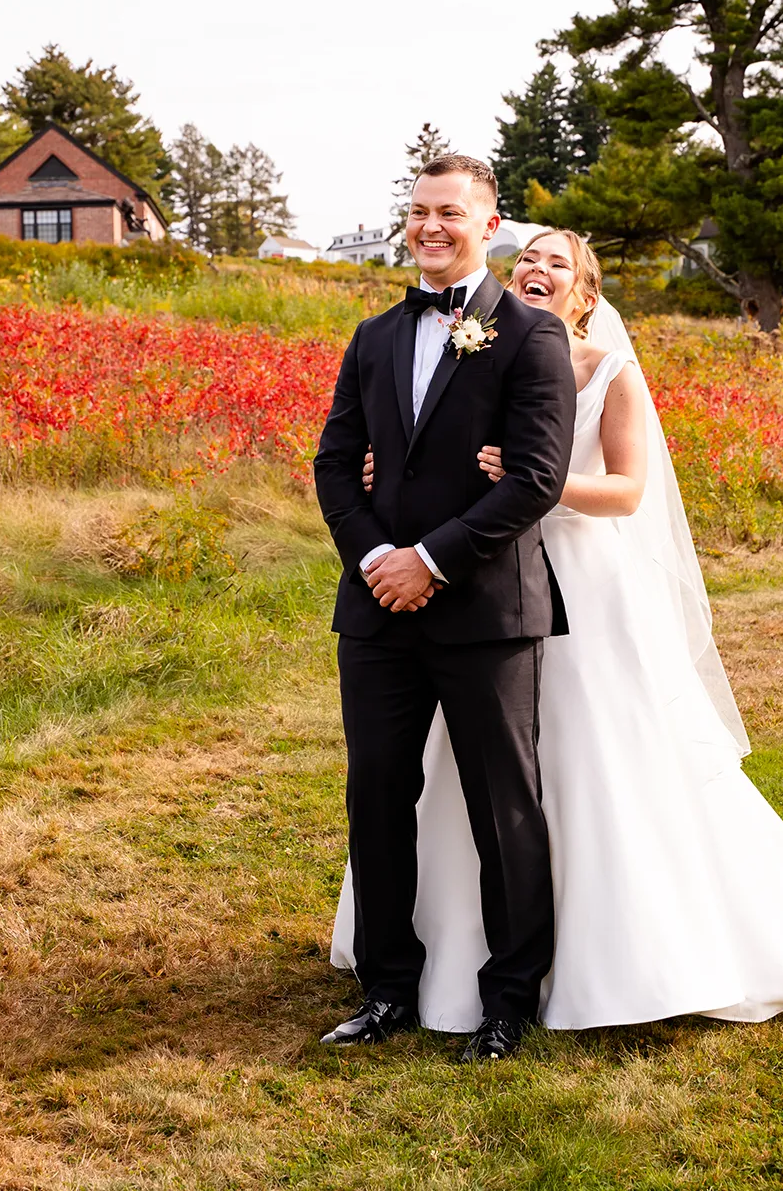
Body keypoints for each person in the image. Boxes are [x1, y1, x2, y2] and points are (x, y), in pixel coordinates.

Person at [332, 228, 783, 1036]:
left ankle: (610, 950)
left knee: (585, 765)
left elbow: (625, 491)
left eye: (557, 264)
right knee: (459, 775)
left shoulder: (610, 371)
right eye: (528, 262)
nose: (537, 272)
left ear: (586, 294)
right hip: (475, 580)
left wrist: (534, 486)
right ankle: (441, 949)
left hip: (579, 580)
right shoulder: (475, 349)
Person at [310, 155, 575, 1063]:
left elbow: (537, 480)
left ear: (489, 220)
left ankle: (509, 1000)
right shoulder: (373, 336)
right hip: (377, 611)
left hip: (487, 611)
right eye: (418, 211)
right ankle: (387, 988)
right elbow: (335, 465)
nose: (431, 225)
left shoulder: (532, 337)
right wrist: (380, 557)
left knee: (505, 804)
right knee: (377, 796)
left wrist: (432, 560)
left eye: (449, 212)